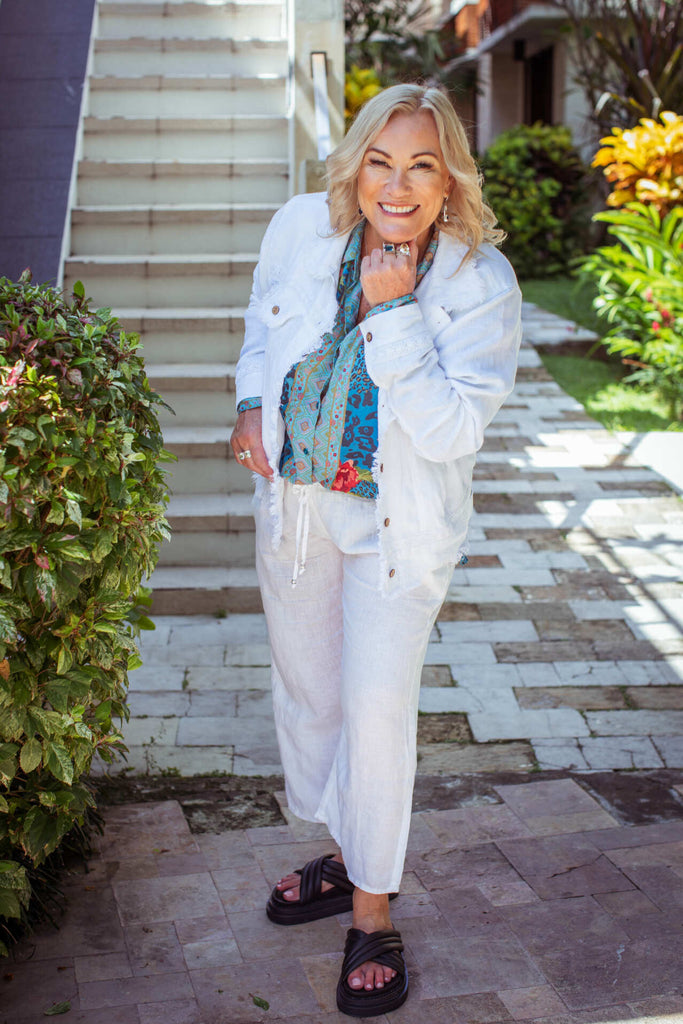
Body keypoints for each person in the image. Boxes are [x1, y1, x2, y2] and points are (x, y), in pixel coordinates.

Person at [230, 83, 522, 1018]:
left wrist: (394, 315)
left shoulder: (479, 283)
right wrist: (248, 404)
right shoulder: (297, 229)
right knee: (312, 696)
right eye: (380, 161)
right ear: (355, 164)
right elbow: (258, 322)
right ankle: (346, 848)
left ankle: (371, 912)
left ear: (448, 184)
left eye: (421, 166)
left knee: (375, 708)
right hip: (302, 513)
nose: (395, 184)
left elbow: (450, 432)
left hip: (397, 532)